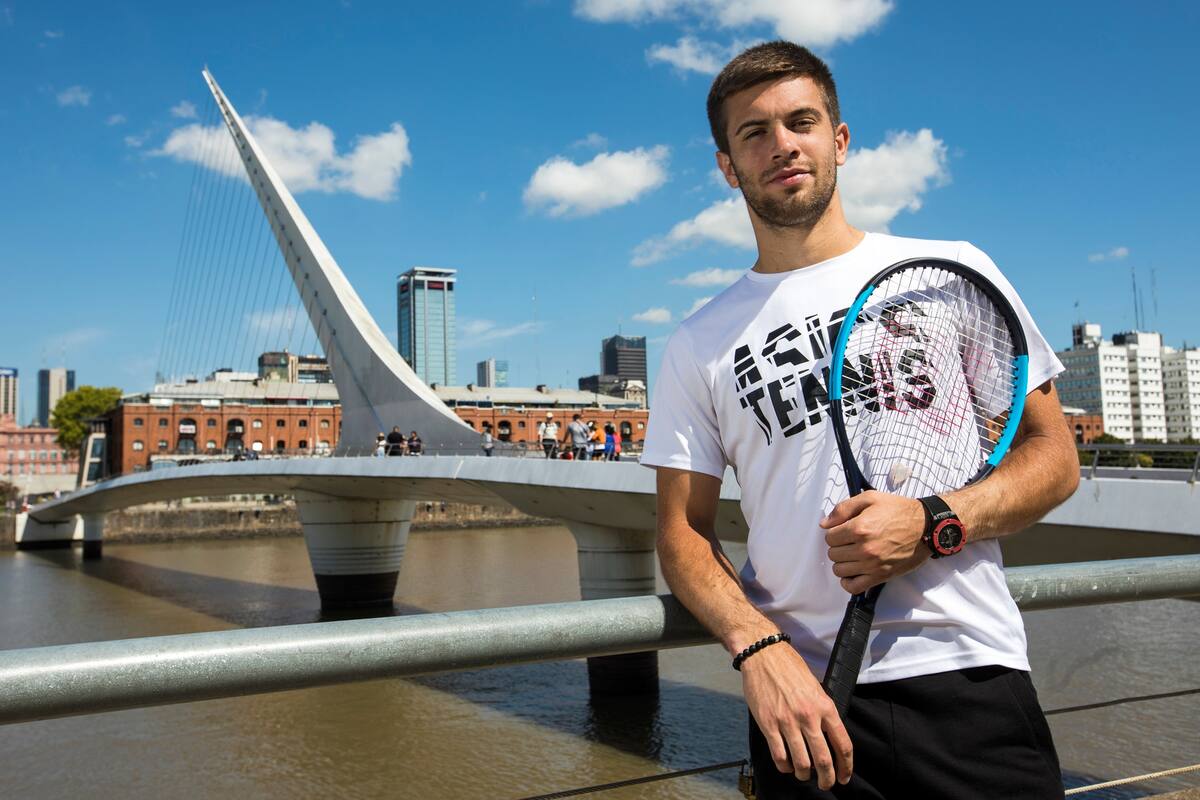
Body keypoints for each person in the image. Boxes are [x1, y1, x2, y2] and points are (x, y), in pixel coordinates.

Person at [639, 42, 1079, 799]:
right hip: (801, 706)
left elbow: (1054, 459)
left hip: (970, 682)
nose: (782, 144)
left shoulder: (952, 271)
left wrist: (935, 521)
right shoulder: (697, 341)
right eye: (754, 132)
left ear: (838, 140)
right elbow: (682, 532)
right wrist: (757, 649)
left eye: (801, 121)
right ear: (726, 166)